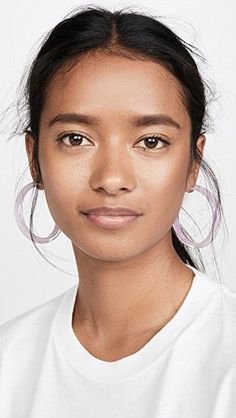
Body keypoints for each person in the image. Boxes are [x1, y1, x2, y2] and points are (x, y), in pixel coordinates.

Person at [0, 5, 235, 418]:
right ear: (34, 158)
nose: (112, 178)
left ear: (193, 164)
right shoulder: (9, 362)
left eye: (151, 141)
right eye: (76, 138)